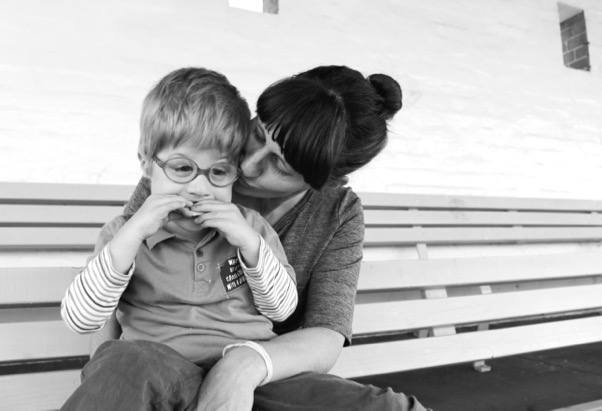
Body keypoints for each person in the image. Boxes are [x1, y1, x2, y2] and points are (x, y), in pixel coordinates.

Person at [95, 65, 428, 410]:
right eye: (256, 134)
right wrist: (105, 380)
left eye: (280, 165)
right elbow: (112, 282)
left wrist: (242, 366)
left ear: (324, 183)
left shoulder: (339, 213)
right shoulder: (186, 173)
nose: (249, 165)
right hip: (162, 366)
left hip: (267, 377)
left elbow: (327, 332)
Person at [60, 67, 298, 410]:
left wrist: (250, 246)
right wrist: (133, 235)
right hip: (157, 375)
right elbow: (81, 319)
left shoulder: (251, 228)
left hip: (244, 380)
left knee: (365, 401)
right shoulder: (123, 233)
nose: (199, 188)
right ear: (146, 163)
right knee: (121, 364)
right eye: (182, 168)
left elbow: (282, 310)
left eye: (218, 172)